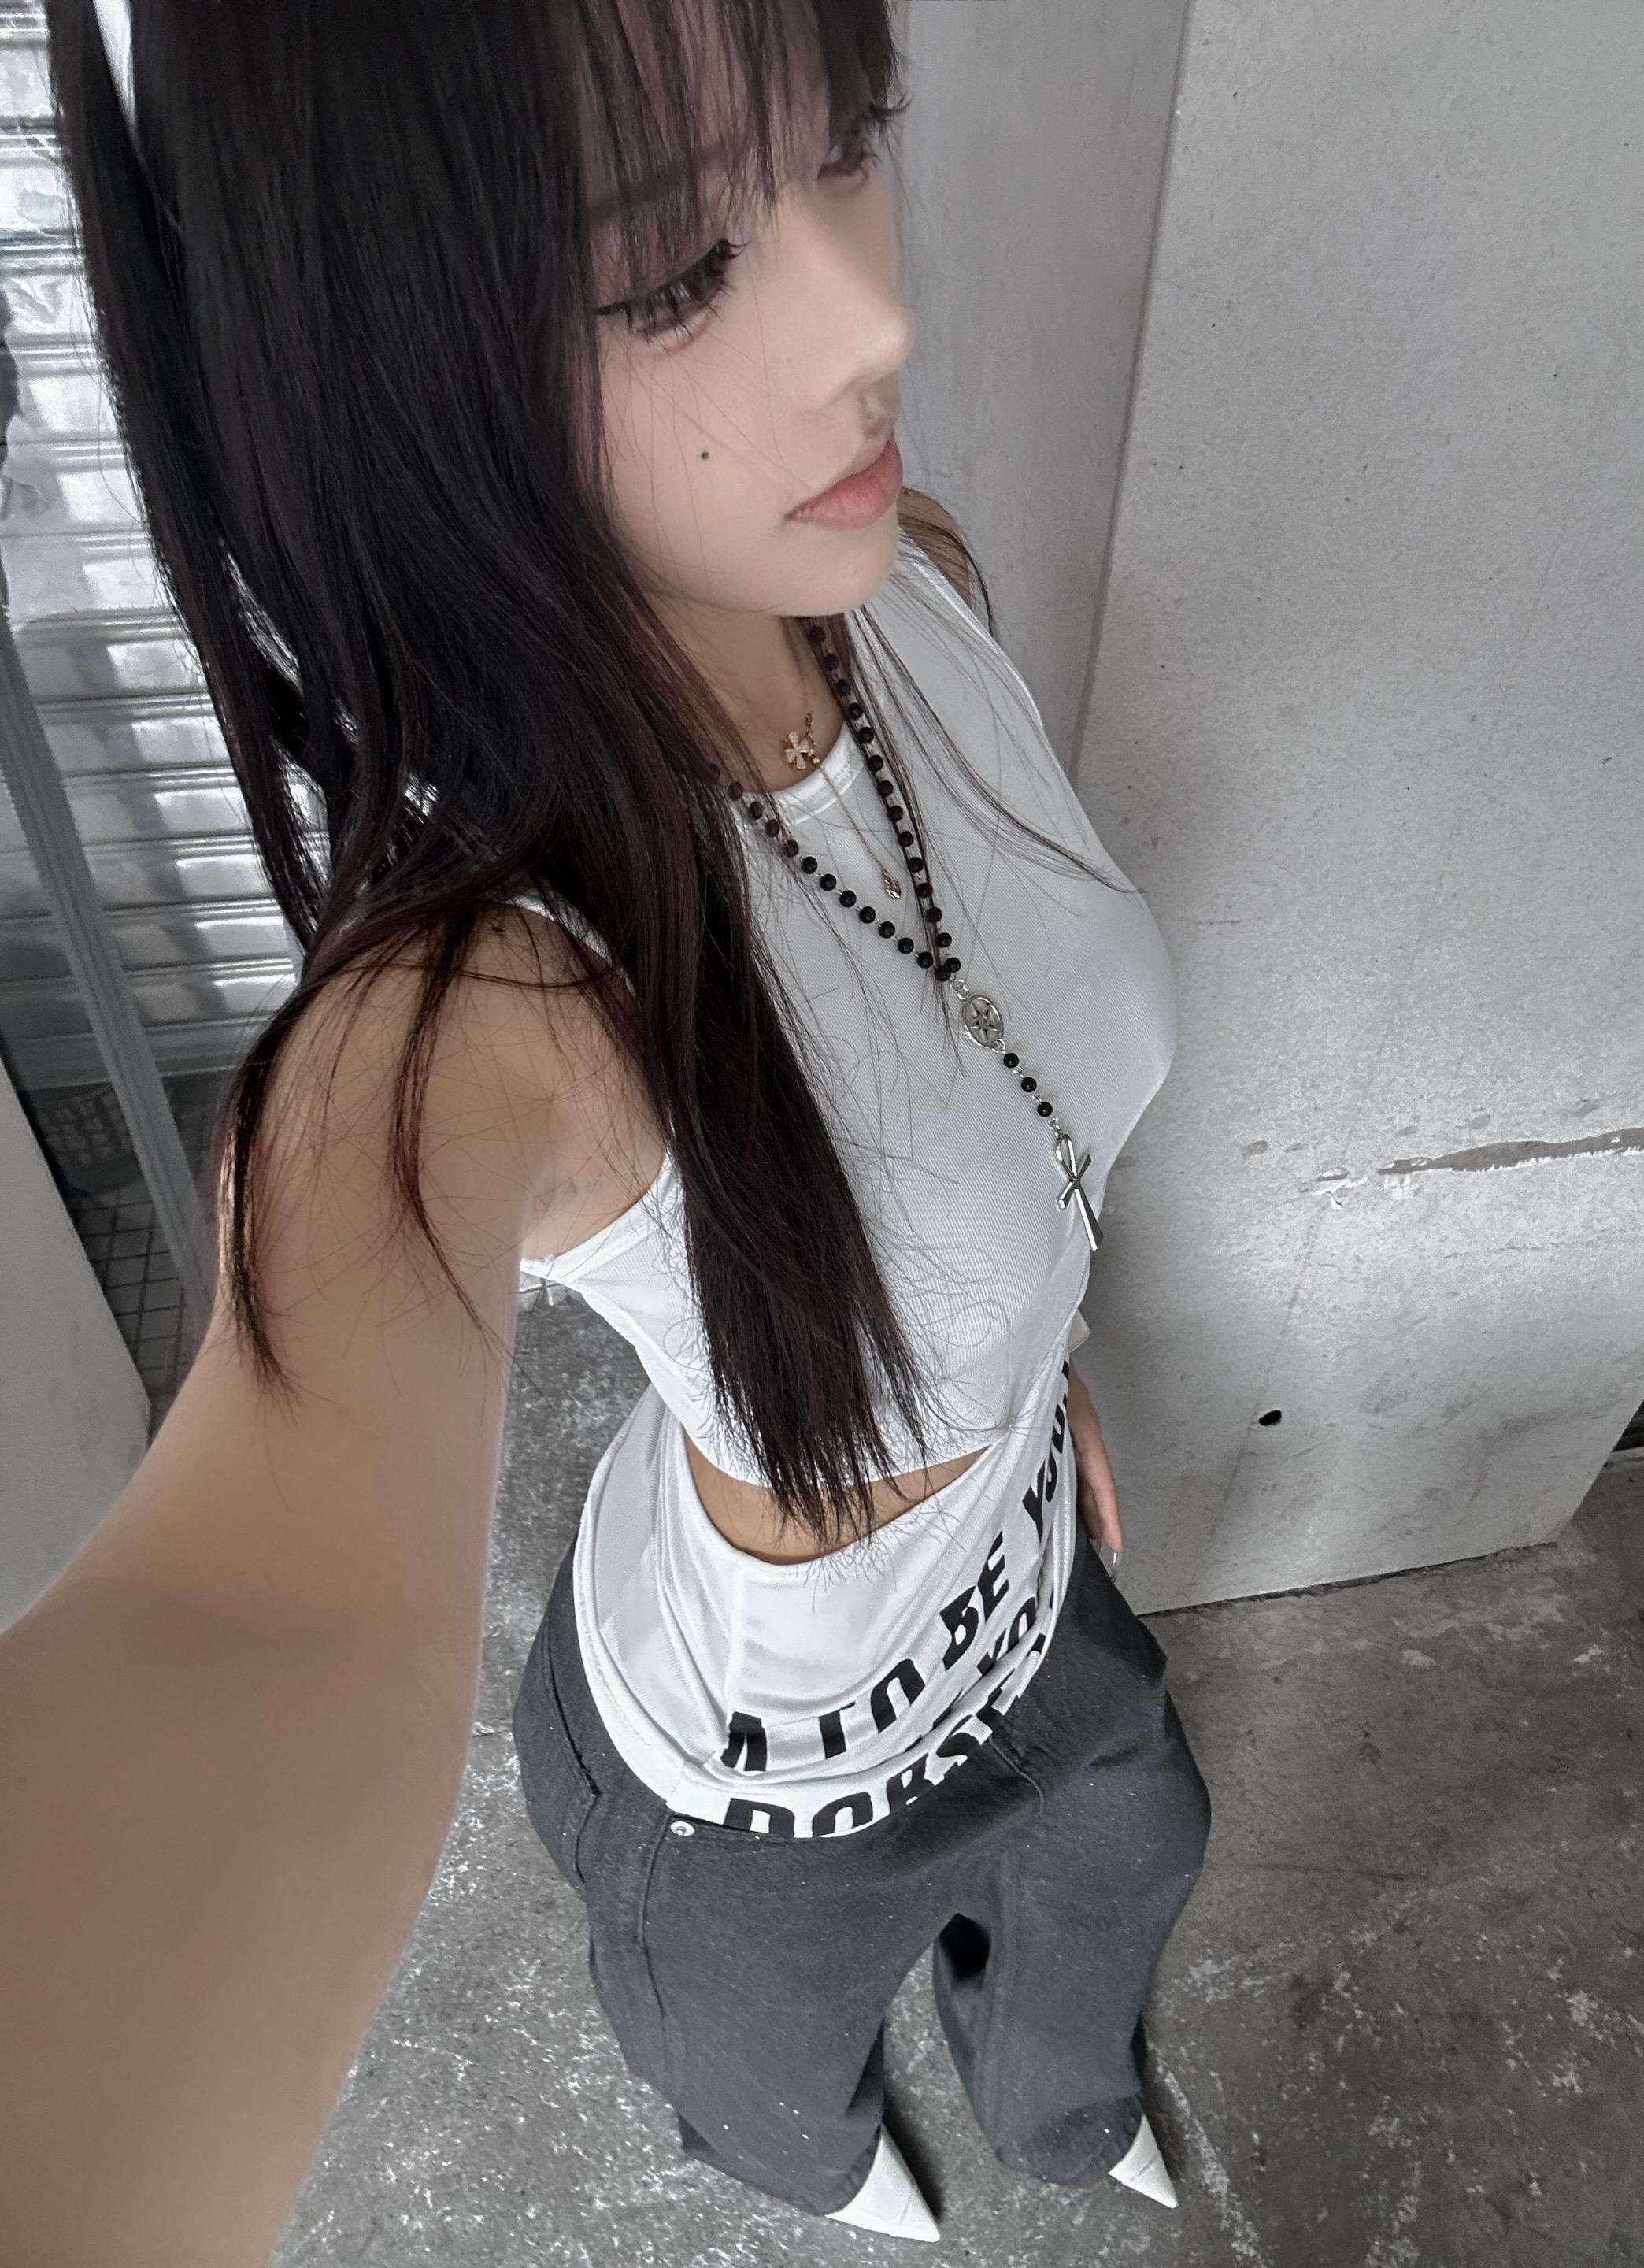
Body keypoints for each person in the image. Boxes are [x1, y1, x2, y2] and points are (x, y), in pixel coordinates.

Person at [0, 0, 1212, 2256]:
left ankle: (1059, 2121)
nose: (875, 313)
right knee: (770, 2086)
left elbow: (998, 1084)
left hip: (1040, 1573)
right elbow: (253, 1625)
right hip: (758, 1789)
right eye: (671, 271)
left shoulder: (916, 581)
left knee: (1131, 1872)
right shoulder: (484, 1008)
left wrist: (1029, 1357)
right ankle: (819, 2163)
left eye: (845, 135)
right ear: (390, 365)